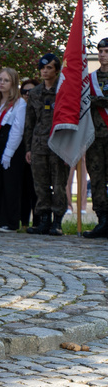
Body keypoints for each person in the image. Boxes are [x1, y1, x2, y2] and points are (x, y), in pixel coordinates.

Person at [24, 53, 68, 235]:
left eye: (49, 67)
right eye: (42, 68)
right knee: (40, 185)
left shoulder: (65, 91)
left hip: (59, 145)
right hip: (39, 145)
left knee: (58, 185)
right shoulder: (34, 94)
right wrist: (28, 148)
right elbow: (29, 123)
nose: (45, 71)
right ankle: (43, 220)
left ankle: (57, 222)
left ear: (57, 70)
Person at [0, 67, 26, 232]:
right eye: (0, 79)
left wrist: (8, 153)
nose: (2, 83)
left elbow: (17, 130)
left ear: (13, 83)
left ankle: (10, 222)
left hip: (12, 148)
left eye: (6, 80)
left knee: (10, 185)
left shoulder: (19, 103)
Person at [85, 37, 108, 238]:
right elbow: (82, 101)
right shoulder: (90, 79)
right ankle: (102, 220)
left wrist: (98, 100)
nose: (102, 54)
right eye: (100, 51)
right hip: (95, 137)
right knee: (97, 179)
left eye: (106, 51)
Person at [19, 78, 39, 228]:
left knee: (36, 190)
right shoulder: (18, 108)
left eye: (31, 91)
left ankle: (38, 222)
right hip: (20, 153)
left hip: (37, 152)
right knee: (23, 189)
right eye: (24, 91)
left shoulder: (39, 109)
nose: (27, 94)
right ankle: (24, 222)